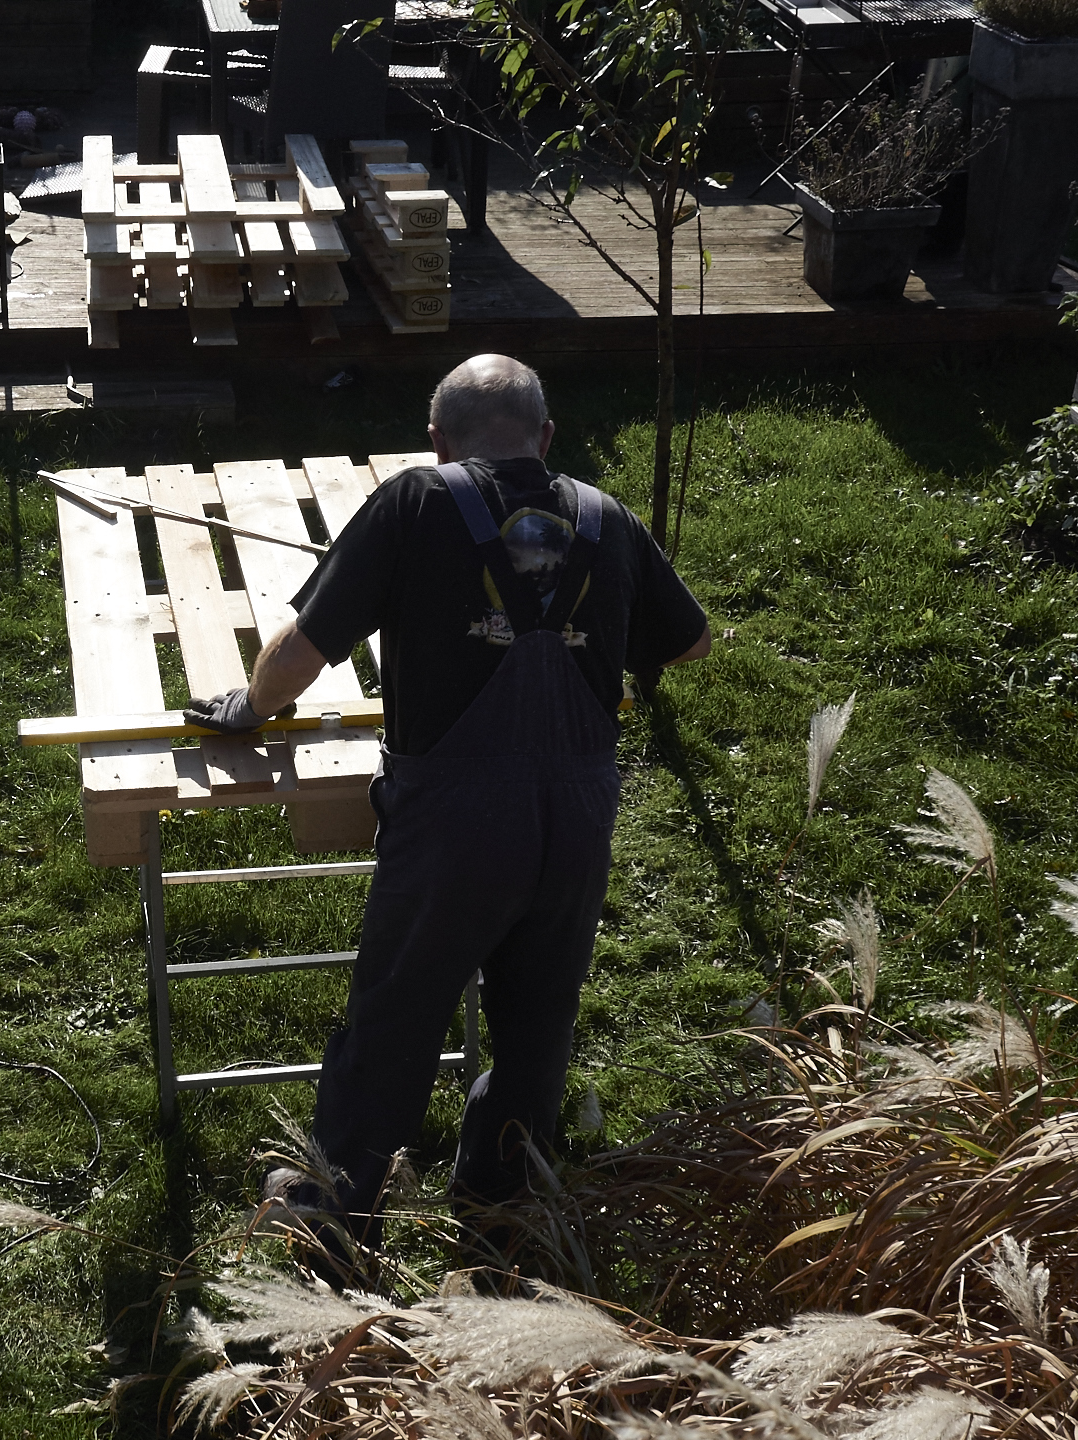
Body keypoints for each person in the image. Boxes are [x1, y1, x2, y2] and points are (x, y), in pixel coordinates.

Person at [185, 354, 710, 1257]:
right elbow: (693, 642)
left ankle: (336, 1211)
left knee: (397, 1016)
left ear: (437, 440)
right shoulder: (608, 519)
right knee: (538, 1022)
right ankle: (499, 1205)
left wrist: (248, 709)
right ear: (546, 439)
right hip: (578, 819)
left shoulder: (414, 503)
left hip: (457, 826)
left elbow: (306, 648)